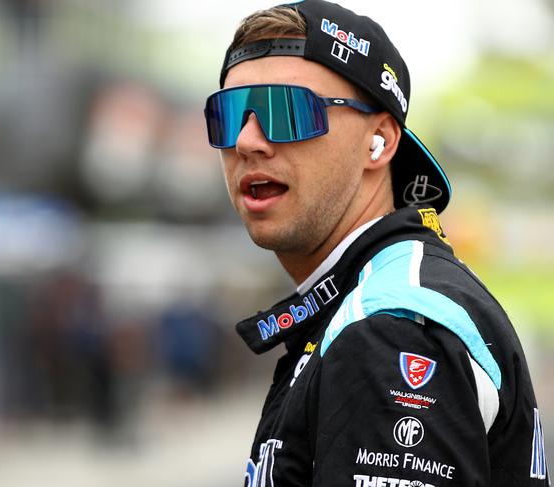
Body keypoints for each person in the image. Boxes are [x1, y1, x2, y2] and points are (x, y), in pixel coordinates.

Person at [203, 1, 550, 486]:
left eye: (286, 111)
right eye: (229, 114)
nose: (247, 140)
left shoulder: (391, 324)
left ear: (379, 142)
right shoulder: (375, 298)